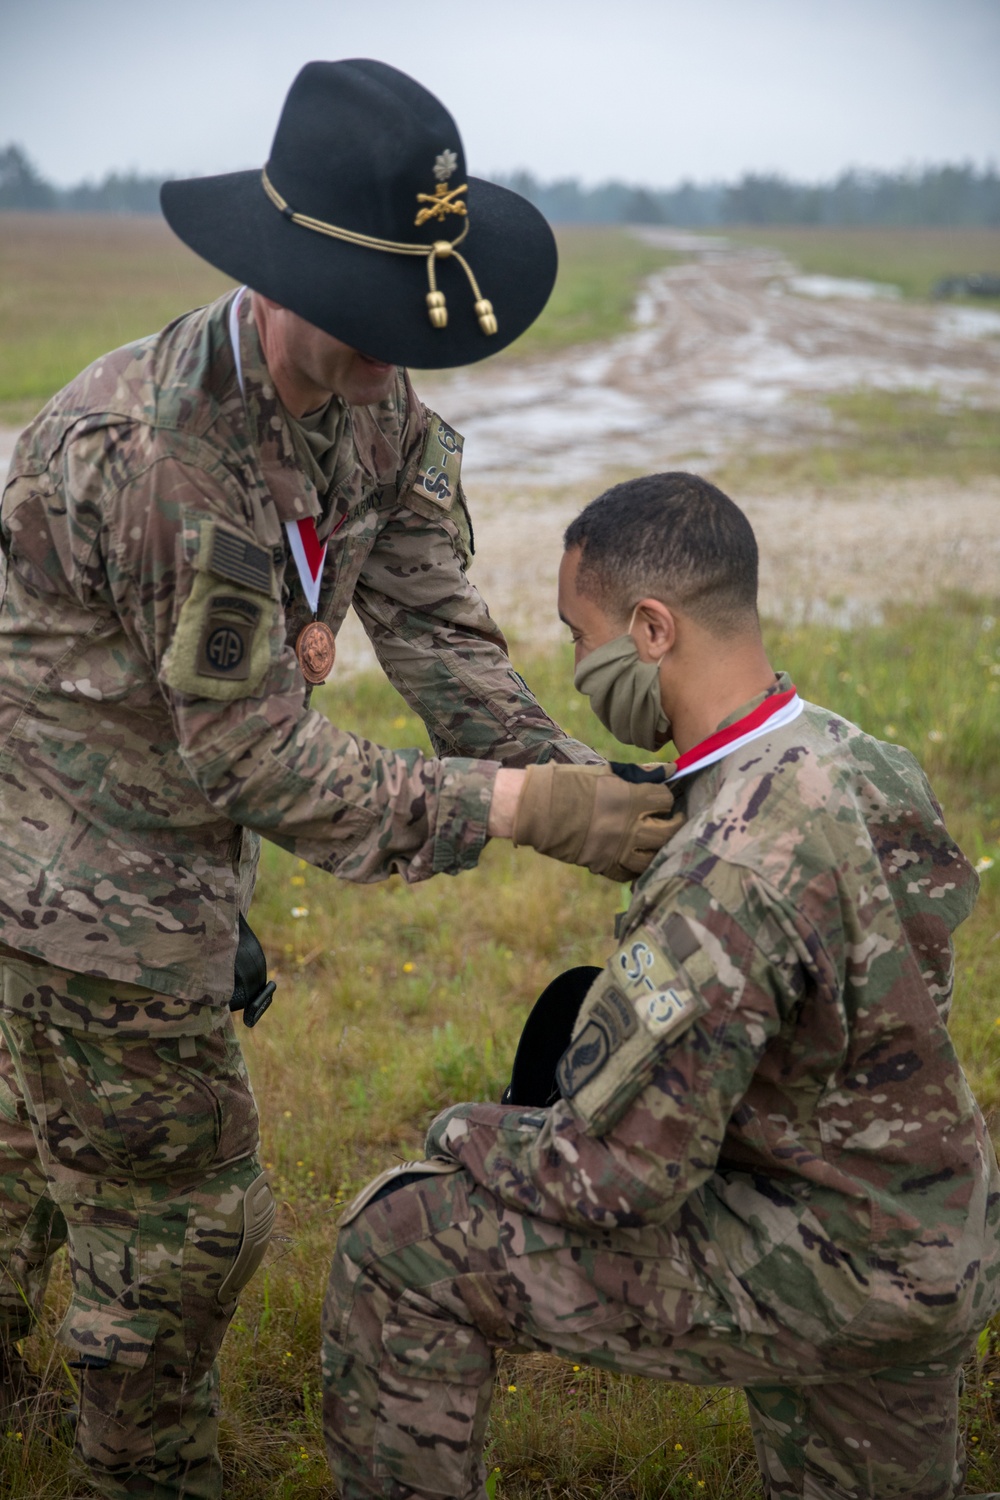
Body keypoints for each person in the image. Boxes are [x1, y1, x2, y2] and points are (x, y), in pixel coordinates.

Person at [0, 60, 678, 1500]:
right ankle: (145, 1469)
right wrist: (515, 813)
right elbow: (253, 753)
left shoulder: (378, 409)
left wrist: (586, 788)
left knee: (27, 1143)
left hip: (157, 841)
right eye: (370, 320)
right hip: (65, 860)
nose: (394, 352)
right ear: (279, 271)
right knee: (178, 1217)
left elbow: (439, 637)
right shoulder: (165, 457)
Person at [323, 471, 1000, 1500]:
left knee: (399, 1235)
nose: (579, 666)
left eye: (579, 633)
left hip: (824, 1259)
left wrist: (462, 1131)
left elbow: (616, 1180)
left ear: (649, 628)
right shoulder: (864, 761)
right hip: (925, 1225)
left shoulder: (723, 865)